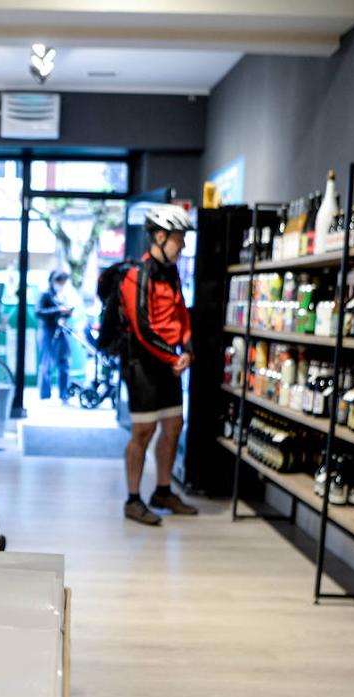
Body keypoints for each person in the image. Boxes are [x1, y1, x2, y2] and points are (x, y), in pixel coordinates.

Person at [119, 205, 200, 525]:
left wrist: (189, 349)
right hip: (143, 365)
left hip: (170, 364)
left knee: (174, 426)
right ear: (161, 236)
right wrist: (173, 356)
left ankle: (163, 491)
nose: (182, 246)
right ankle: (133, 499)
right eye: (178, 239)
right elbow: (142, 328)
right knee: (143, 431)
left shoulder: (172, 273)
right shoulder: (136, 275)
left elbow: (181, 314)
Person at [36, 270, 73, 403]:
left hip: (60, 330)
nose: (62, 284)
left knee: (64, 362)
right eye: (60, 280)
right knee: (46, 363)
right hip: (47, 330)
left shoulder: (61, 295)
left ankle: (64, 393)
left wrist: (67, 312)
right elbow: (38, 311)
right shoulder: (45, 294)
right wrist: (58, 310)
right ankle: (45, 395)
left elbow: (64, 312)